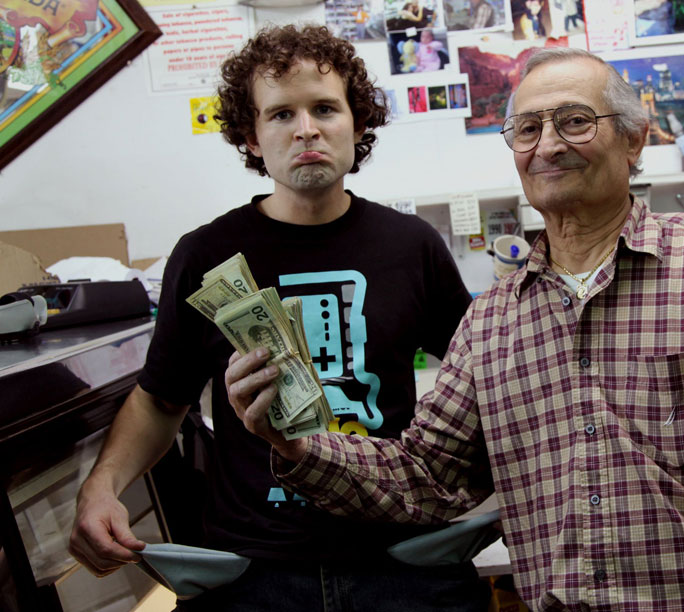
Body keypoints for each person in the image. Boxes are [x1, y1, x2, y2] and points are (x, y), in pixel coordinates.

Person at [227, 47, 684, 611]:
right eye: (527, 129)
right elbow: (424, 479)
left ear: (636, 138)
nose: (547, 145)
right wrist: (294, 443)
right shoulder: (492, 321)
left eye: (575, 121)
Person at [68, 23, 488, 612]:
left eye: (324, 108)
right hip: (254, 573)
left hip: (401, 562)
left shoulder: (412, 246)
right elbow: (162, 399)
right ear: (251, 137)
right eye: (281, 114)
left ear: (358, 123)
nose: (307, 129)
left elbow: (486, 382)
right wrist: (102, 486)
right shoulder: (205, 254)